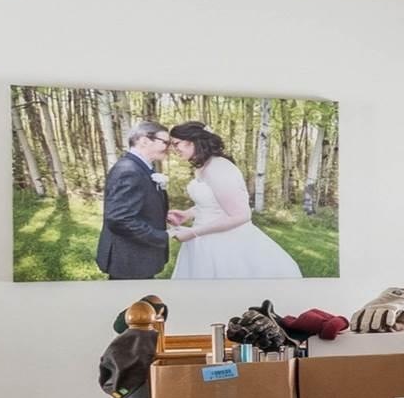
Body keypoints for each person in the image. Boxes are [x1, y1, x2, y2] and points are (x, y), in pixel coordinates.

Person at [165, 121, 302, 279]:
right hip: (206, 239)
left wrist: (194, 233)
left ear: (194, 140)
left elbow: (241, 215)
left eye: (176, 144)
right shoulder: (204, 166)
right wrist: (187, 214)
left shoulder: (218, 168)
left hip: (226, 243)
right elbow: (213, 204)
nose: (174, 149)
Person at [96, 119, 174, 280]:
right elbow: (119, 219)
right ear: (144, 141)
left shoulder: (141, 167)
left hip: (138, 256)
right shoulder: (128, 170)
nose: (169, 148)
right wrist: (162, 236)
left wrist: (160, 214)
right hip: (129, 260)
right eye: (165, 142)